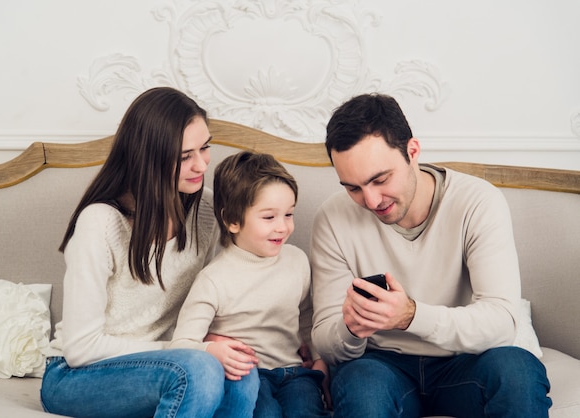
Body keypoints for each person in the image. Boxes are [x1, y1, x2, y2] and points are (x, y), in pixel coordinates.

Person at [310, 93, 552, 417]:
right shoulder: (332, 218)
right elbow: (327, 342)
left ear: (412, 152)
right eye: (352, 188)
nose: (370, 200)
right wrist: (350, 328)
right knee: (359, 384)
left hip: (464, 360)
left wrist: (411, 316)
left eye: (380, 179)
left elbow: (501, 322)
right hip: (382, 365)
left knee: (518, 372)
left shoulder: (478, 202)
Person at [40, 87, 256, 418]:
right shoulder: (100, 223)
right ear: (148, 158)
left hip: (166, 364)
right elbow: (81, 349)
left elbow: (219, 290)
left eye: (205, 147)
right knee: (199, 369)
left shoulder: (208, 209)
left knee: (241, 372)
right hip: (75, 374)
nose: (201, 164)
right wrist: (190, 348)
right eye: (185, 156)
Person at [171, 151, 331, 418]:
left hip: (296, 374)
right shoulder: (214, 279)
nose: (283, 227)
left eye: (289, 214)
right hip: (249, 377)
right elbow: (181, 344)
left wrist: (318, 360)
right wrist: (212, 350)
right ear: (232, 220)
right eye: (269, 217)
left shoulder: (297, 260)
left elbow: (306, 316)